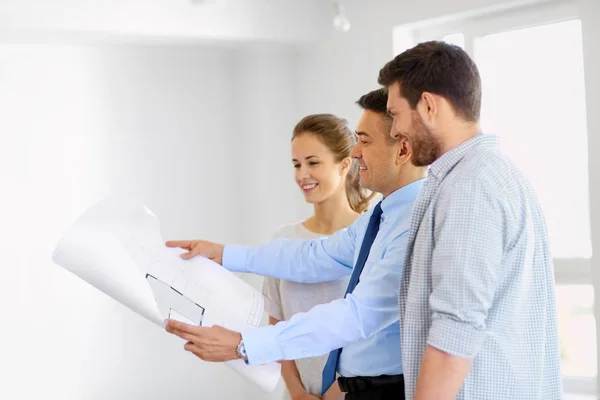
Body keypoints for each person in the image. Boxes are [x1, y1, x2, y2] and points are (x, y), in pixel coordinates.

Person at [165, 88, 427, 400]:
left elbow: (357, 316)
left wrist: (243, 344)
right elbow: (311, 257)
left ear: (403, 149)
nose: (355, 153)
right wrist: (222, 254)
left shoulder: (418, 223)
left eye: (364, 141)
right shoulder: (379, 219)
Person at [377, 41, 562, 399]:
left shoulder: (469, 187)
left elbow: (453, 334)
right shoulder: (493, 174)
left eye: (396, 113)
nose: (394, 131)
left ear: (428, 105)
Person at [263, 113, 374, 399]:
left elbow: (373, 332)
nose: (302, 175)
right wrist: (298, 393)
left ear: (345, 164)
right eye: (297, 164)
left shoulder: (370, 237)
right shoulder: (283, 242)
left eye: (313, 163)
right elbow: (277, 329)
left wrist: (336, 393)